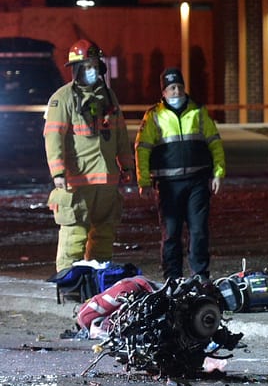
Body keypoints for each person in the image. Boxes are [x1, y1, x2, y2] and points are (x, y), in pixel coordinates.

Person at [44, 39, 135, 272]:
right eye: (87, 65)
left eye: (95, 65)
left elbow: (120, 134)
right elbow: (53, 138)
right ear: (76, 69)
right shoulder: (62, 98)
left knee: (104, 236)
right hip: (78, 182)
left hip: (106, 182)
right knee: (74, 234)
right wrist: (58, 173)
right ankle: (70, 284)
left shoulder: (109, 98)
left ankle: (96, 281)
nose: (92, 70)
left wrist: (126, 166)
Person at [135, 67, 226, 281]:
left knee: (199, 231)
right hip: (168, 185)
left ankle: (200, 275)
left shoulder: (198, 112)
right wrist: (144, 180)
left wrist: (218, 173)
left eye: (179, 87)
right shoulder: (154, 115)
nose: (176, 91)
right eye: (171, 88)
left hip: (197, 181)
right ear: (163, 93)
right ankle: (172, 277)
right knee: (171, 233)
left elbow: (214, 143)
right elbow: (142, 148)